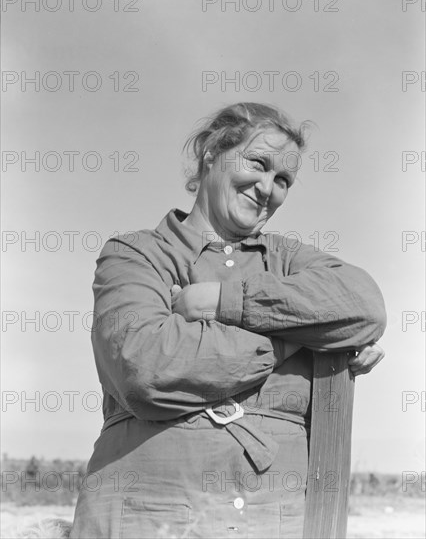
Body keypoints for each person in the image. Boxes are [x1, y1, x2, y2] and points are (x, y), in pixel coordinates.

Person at [69, 102, 386, 539]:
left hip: (277, 520)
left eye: (283, 180)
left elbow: (364, 305)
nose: (267, 187)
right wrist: (292, 338)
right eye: (259, 163)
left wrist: (222, 301)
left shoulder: (290, 259)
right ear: (213, 152)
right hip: (144, 513)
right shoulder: (136, 254)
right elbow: (147, 368)